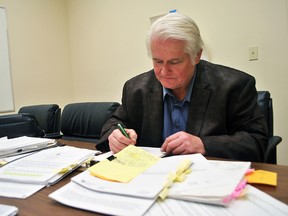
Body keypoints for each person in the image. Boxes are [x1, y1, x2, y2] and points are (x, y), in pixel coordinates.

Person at [97, 12, 268, 162]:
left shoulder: (234, 85)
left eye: (174, 61)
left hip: (208, 183)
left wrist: (203, 144)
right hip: (150, 182)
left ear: (196, 55)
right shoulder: (135, 89)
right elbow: (114, 122)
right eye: (157, 61)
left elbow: (256, 142)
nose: (164, 71)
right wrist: (115, 135)